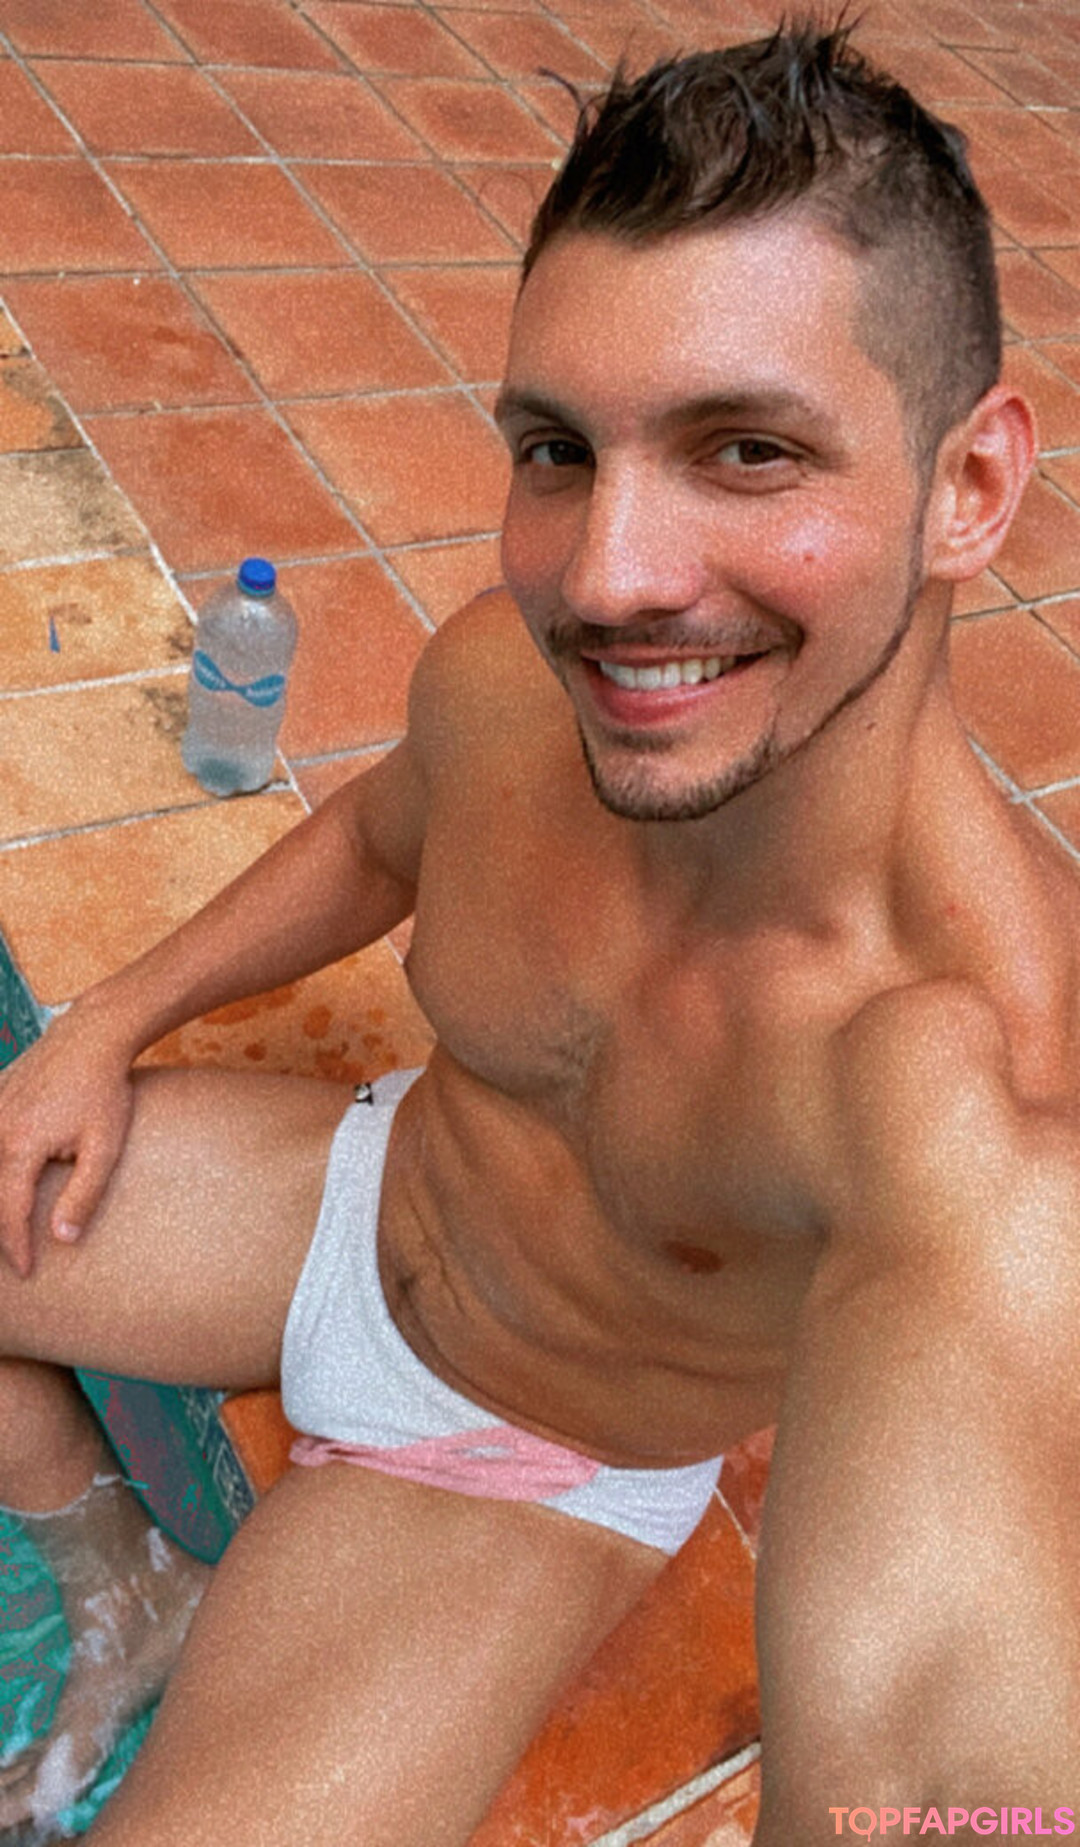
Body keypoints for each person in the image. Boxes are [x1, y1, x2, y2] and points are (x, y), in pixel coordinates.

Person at [0, 18, 1075, 1844]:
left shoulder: (977, 1098)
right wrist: (104, 1018)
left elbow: (942, 1758)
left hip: (520, 1465)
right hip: (361, 1198)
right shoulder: (514, 684)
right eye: (560, 448)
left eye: (748, 449)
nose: (605, 578)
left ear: (968, 488)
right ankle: (128, 1587)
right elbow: (375, 838)